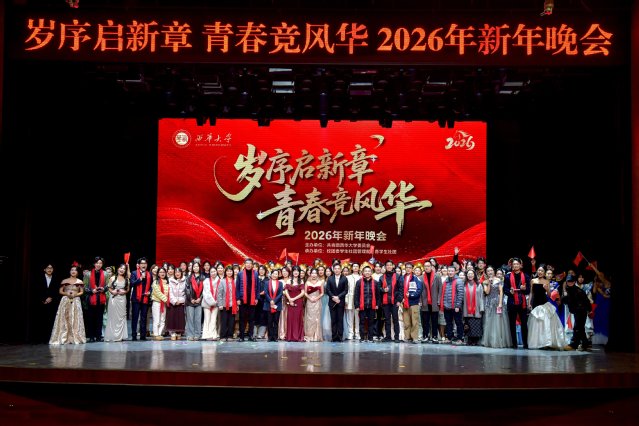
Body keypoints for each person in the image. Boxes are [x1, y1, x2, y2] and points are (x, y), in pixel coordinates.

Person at [527, 264, 567, 349]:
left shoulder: (546, 282)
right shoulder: (533, 281)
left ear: (544, 272)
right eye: (539, 270)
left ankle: (546, 342)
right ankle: (538, 343)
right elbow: (531, 292)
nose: (540, 272)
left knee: (545, 323)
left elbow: (549, 295)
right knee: (537, 324)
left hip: (544, 304)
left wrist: (547, 289)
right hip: (535, 304)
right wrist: (529, 303)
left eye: (542, 271)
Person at [50, 262, 86, 345]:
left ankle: (74, 337)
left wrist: (75, 294)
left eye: (75, 270)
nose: (73, 271)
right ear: (69, 271)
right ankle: (64, 336)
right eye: (72, 270)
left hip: (75, 300)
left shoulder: (79, 281)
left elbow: (81, 292)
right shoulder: (64, 280)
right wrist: (66, 293)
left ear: (77, 272)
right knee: (64, 317)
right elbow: (60, 291)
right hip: (65, 300)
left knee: (75, 318)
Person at [481, 267, 512, 348]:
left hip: (498, 302)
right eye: (488, 271)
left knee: (499, 322)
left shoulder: (498, 280)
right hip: (489, 303)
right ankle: (491, 341)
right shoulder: (485, 282)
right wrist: (489, 283)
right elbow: (487, 292)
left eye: (491, 270)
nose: (490, 272)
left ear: (494, 271)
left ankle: (500, 340)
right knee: (489, 322)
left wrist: (500, 303)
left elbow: (501, 292)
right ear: (486, 273)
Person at [503, 257, 530, 349]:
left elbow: (528, 291)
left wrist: (524, 289)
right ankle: (514, 344)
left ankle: (525, 344)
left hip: (522, 302)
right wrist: (509, 291)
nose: (515, 265)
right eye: (514, 264)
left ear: (520, 265)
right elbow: (505, 289)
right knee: (512, 324)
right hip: (511, 302)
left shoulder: (525, 276)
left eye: (517, 264)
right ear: (512, 266)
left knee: (524, 324)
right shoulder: (507, 276)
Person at [561, 274, 592, 351]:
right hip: (577, 311)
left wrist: (589, 310)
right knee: (580, 328)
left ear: (574, 282)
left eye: (571, 281)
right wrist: (564, 296)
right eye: (568, 281)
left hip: (581, 311)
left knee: (577, 328)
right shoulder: (568, 289)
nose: (570, 283)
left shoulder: (578, 290)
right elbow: (565, 301)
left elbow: (586, 301)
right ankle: (585, 343)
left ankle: (574, 344)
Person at [33, 263, 60, 343]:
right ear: (44, 269)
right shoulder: (39, 278)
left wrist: (51, 298)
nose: (49, 269)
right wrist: (43, 299)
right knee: (40, 320)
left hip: (52, 303)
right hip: (41, 303)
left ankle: (48, 338)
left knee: (50, 321)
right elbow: (36, 290)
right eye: (48, 268)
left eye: (51, 268)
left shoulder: (56, 279)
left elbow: (57, 291)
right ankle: (39, 338)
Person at [377, 260, 403, 342]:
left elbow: (401, 289)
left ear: (393, 266)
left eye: (390, 265)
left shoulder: (398, 276)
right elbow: (378, 289)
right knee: (387, 320)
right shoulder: (381, 277)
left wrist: (399, 300)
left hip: (395, 301)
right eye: (387, 265)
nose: (389, 266)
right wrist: (383, 290)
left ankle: (396, 337)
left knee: (395, 320)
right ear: (385, 267)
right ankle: (388, 336)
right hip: (385, 302)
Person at [104, 263, 130, 342]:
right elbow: (109, 287)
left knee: (121, 317)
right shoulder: (112, 278)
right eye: (120, 268)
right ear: (118, 268)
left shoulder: (126, 279)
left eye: (124, 269)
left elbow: (127, 289)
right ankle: (112, 335)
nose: (122, 270)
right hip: (113, 299)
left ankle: (120, 336)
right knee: (112, 317)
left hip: (122, 299)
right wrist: (113, 292)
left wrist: (124, 292)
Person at [84, 256, 107, 342]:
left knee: (99, 318)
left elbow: (108, 285)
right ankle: (91, 336)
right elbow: (84, 287)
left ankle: (98, 336)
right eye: (97, 263)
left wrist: (103, 289)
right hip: (91, 298)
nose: (98, 264)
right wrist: (91, 291)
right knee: (91, 318)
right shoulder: (88, 274)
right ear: (94, 264)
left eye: (100, 263)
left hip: (101, 298)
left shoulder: (105, 274)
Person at [236, 258, 260, 342]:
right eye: (247, 263)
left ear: (252, 265)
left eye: (250, 263)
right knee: (242, 318)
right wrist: (238, 298)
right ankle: (241, 336)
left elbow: (258, 287)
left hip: (252, 299)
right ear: (244, 264)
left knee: (251, 319)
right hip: (243, 299)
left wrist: (257, 298)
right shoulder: (240, 274)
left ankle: (251, 336)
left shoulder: (255, 273)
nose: (248, 265)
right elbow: (237, 287)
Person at [130, 257, 153, 341]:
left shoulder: (149, 274)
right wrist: (139, 279)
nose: (144, 265)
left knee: (144, 318)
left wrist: (150, 291)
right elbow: (132, 283)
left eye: (145, 263)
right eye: (142, 263)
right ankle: (134, 335)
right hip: (136, 299)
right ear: (139, 265)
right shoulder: (134, 273)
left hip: (145, 299)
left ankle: (143, 336)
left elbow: (151, 286)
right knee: (135, 318)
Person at [440, 265, 464, 344]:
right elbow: (444, 293)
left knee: (458, 323)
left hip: (455, 306)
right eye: (449, 271)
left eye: (452, 271)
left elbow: (460, 294)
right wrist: (443, 304)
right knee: (448, 323)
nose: (450, 272)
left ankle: (460, 338)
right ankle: (449, 337)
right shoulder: (446, 281)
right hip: (447, 306)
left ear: (455, 272)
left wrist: (458, 306)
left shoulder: (459, 281)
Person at [354, 265, 378, 342]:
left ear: (371, 272)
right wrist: (357, 305)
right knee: (362, 322)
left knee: (371, 322)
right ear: (363, 272)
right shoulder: (359, 282)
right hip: (362, 305)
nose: (367, 272)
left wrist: (377, 304)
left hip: (372, 305)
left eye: (369, 271)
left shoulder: (375, 282)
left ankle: (370, 338)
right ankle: (362, 337)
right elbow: (356, 295)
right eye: (366, 271)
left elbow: (378, 295)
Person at [325, 262, 349, 342]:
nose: (337, 270)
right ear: (333, 269)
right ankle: (334, 336)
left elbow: (346, 290)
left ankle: (340, 336)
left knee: (340, 320)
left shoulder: (344, 278)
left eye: (338, 268)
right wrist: (333, 297)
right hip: (332, 302)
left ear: (341, 269)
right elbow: (327, 290)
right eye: (335, 269)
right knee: (333, 320)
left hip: (340, 302)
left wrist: (338, 297)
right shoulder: (330, 278)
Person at [420, 260, 441, 343]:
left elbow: (440, 289)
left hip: (435, 302)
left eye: (428, 266)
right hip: (425, 302)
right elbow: (420, 290)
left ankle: (435, 336)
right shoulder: (421, 277)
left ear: (431, 267)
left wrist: (439, 300)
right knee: (425, 321)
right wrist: (420, 301)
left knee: (434, 321)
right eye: (425, 266)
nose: (427, 267)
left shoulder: (437, 276)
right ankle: (425, 336)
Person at [590, 263, 611, 345]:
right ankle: (599, 338)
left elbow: (606, 295)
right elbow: (594, 292)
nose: (600, 276)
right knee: (598, 319)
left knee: (605, 319)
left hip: (606, 303)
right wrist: (595, 282)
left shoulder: (607, 283)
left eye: (601, 275)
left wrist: (593, 267)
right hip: (599, 303)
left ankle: (606, 338)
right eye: (599, 275)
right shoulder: (598, 284)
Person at [401, 262, 422, 343]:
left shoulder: (416, 278)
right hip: (404, 303)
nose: (408, 269)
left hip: (414, 303)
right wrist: (401, 298)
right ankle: (407, 337)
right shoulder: (402, 278)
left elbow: (419, 290)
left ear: (412, 269)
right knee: (406, 322)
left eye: (410, 267)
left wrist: (411, 295)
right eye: (407, 267)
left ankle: (414, 337)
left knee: (414, 321)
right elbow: (399, 289)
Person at [462, 269, 484, 346]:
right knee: (468, 324)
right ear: (466, 275)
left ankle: (475, 340)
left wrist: (481, 307)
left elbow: (481, 297)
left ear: (474, 275)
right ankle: (470, 339)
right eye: (468, 274)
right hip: (466, 308)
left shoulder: (479, 285)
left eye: (471, 274)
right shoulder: (464, 284)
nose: (470, 275)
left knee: (476, 324)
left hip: (476, 308)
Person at [217, 265, 238, 341]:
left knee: (231, 321)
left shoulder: (235, 281)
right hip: (224, 304)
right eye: (228, 271)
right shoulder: (222, 281)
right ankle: (223, 336)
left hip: (233, 304)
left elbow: (237, 294)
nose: (229, 272)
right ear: (225, 272)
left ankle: (230, 336)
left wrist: (237, 304)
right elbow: (219, 294)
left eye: (230, 271)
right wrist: (220, 304)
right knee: (224, 321)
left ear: (232, 272)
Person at [285, 266, 305, 342]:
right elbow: (286, 291)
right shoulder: (289, 280)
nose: (296, 272)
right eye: (294, 271)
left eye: (297, 271)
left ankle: (297, 336)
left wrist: (293, 299)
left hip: (298, 302)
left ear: (299, 272)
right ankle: (290, 337)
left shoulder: (301, 281)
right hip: (290, 302)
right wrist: (290, 299)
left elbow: (303, 293)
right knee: (290, 318)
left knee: (298, 319)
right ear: (292, 272)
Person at [201, 263, 221, 341]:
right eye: (211, 272)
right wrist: (212, 302)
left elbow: (220, 293)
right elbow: (206, 293)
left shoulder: (220, 281)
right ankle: (206, 335)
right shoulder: (206, 281)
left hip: (216, 303)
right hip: (207, 303)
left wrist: (216, 302)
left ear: (216, 272)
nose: (213, 273)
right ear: (209, 273)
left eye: (214, 271)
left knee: (213, 319)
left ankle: (213, 335)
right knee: (207, 319)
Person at [185, 261, 204, 340]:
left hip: (199, 301)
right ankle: (190, 335)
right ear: (192, 268)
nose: (196, 268)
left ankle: (197, 334)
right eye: (194, 266)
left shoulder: (203, 278)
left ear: (199, 267)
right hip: (190, 302)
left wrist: (200, 298)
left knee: (198, 319)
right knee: (190, 319)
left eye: (197, 266)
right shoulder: (188, 278)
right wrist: (191, 299)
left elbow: (204, 290)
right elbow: (187, 289)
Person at [304, 268, 324, 342]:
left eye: (315, 273)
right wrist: (310, 298)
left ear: (317, 274)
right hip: (309, 302)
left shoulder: (320, 282)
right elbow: (305, 292)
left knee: (317, 318)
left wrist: (316, 298)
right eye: (312, 273)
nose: (314, 275)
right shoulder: (307, 282)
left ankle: (316, 336)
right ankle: (309, 335)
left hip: (317, 301)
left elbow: (322, 293)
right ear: (310, 274)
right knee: (309, 319)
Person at [167, 266, 186, 340]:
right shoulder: (170, 280)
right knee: (172, 318)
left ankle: (179, 332)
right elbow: (170, 292)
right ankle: (173, 333)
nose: (177, 273)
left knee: (180, 319)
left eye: (179, 272)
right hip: (173, 303)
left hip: (181, 303)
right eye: (176, 272)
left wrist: (181, 301)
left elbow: (186, 293)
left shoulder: (185, 280)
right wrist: (174, 301)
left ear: (181, 273)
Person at [150, 266, 170, 340]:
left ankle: (159, 334)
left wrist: (167, 300)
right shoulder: (155, 282)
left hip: (164, 304)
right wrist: (166, 299)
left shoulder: (167, 282)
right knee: (157, 320)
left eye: (163, 272)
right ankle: (156, 334)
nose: (162, 273)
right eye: (160, 272)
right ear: (158, 273)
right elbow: (157, 292)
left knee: (162, 320)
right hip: (157, 302)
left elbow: (169, 292)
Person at [264, 268, 284, 342]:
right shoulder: (267, 283)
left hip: (277, 304)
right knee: (269, 321)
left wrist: (274, 301)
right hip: (268, 304)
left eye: (276, 274)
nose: (274, 275)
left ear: (278, 275)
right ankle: (270, 337)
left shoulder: (280, 283)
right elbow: (265, 293)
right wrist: (270, 300)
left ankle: (275, 337)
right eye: (273, 274)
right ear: (271, 274)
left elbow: (280, 293)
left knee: (276, 321)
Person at [344, 262, 361, 341]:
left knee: (358, 317)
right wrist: (346, 300)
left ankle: (357, 333)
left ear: (359, 268)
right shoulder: (348, 277)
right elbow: (346, 289)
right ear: (352, 268)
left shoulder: (361, 277)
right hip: (350, 298)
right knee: (350, 317)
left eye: (357, 266)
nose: (355, 267)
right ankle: (350, 333)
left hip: (359, 299)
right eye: (354, 266)